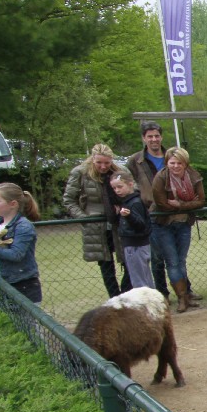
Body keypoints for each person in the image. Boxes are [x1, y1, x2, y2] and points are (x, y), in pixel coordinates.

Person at [63, 146, 127, 298]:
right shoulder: (80, 173)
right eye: (99, 162)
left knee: (129, 261)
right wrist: (84, 218)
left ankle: (125, 295)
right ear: (92, 159)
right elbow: (69, 200)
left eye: (107, 163)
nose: (103, 167)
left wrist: (125, 206)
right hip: (96, 226)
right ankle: (115, 299)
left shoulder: (121, 171)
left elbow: (133, 190)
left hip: (120, 223)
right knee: (106, 265)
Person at [151, 146, 205, 311]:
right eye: (172, 163)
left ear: (185, 163)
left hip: (183, 223)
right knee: (172, 262)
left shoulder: (193, 176)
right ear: (167, 163)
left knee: (181, 261)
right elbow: (162, 204)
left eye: (179, 163)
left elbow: (201, 201)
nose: (175, 166)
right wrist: (188, 204)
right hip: (163, 224)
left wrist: (180, 205)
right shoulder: (161, 178)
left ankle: (186, 295)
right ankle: (182, 298)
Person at [126, 120, 174, 298]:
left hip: (173, 212)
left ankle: (185, 289)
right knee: (156, 257)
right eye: (150, 136)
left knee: (176, 257)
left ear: (161, 137)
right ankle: (161, 292)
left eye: (157, 136)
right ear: (144, 138)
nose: (154, 139)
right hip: (150, 213)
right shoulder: (135, 161)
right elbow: (129, 183)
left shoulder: (171, 156)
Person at [0, 183, 43, 303]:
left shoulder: (23, 226)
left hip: (21, 287)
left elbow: (16, 254)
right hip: (0, 286)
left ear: (13, 204)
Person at [110, 169, 155, 290]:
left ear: (130, 184)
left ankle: (145, 300)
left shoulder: (134, 203)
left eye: (120, 187)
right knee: (144, 276)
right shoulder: (127, 202)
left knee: (139, 280)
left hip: (136, 246)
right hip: (134, 245)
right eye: (114, 188)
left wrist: (129, 216)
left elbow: (141, 225)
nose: (117, 190)